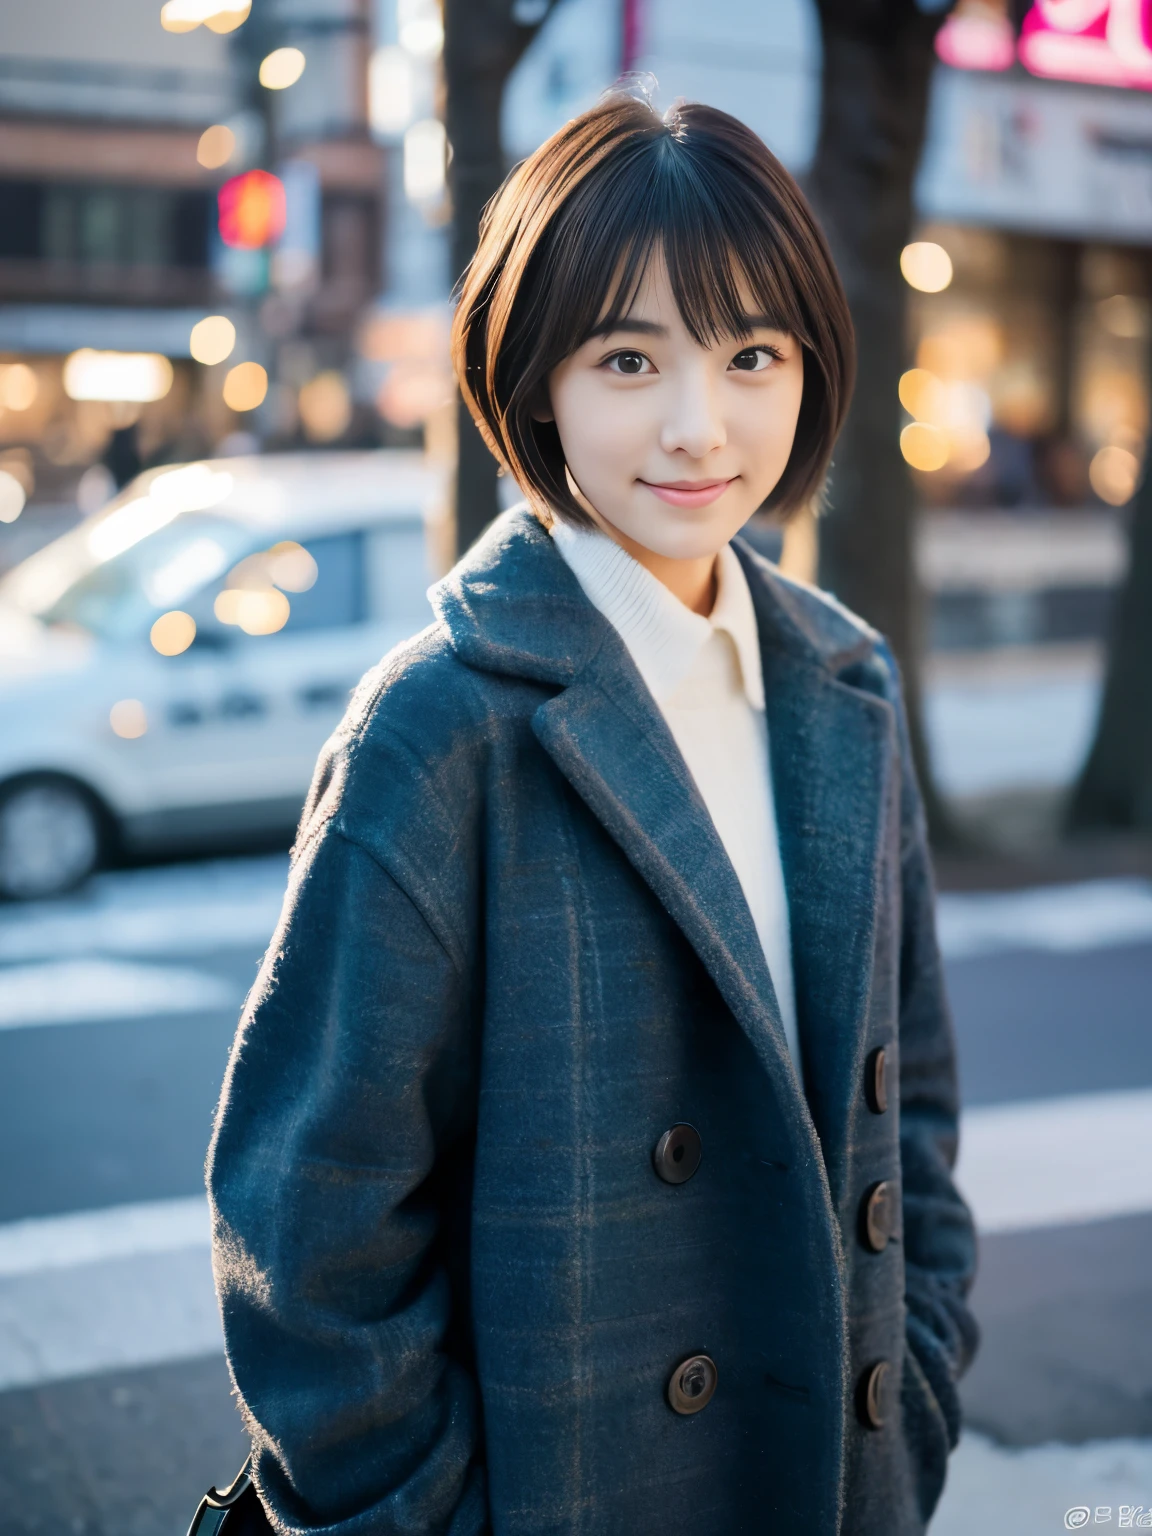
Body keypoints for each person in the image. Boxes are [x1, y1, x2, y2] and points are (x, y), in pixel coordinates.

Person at [208, 92, 977, 1536]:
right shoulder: (442, 729)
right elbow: (309, 1234)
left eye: (753, 354)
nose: (699, 426)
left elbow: (910, 1113)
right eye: (631, 356)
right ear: (537, 377)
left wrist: (911, 1395)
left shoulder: (843, 688)